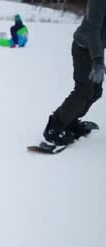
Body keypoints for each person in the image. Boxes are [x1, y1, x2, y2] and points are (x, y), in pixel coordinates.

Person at [42, 0, 105, 146]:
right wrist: (97, 60)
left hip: (97, 49)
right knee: (84, 90)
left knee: (95, 91)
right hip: (84, 48)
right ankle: (54, 126)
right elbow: (93, 30)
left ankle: (70, 121)